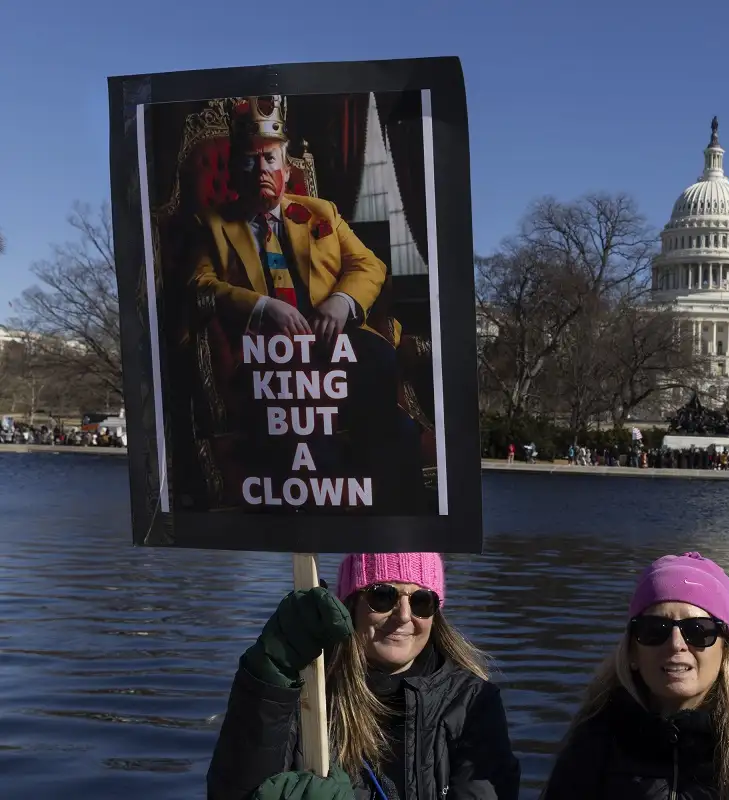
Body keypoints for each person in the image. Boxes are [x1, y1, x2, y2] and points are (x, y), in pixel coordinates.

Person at [186, 94, 426, 511]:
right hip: (270, 357)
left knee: (388, 390)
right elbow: (199, 285)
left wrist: (341, 301)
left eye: (270, 160)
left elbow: (370, 265)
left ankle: (392, 516)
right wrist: (264, 308)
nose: (262, 170)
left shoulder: (321, 212)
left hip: (336, 345)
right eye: (250, 161)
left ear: (285, 166)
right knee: (324, 440)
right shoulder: (213, 224)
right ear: (235, 167)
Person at [207, 552, 521, 800]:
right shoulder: (307, 691)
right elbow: (234, 791)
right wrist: (266, 683)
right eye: (383, 595)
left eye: (421, 601)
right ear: (352, 603)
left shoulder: (472, 704)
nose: (402, 616)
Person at [540, 551, 729, 800]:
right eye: (655, 630)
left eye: (699, 631)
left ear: (725, 651)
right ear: (632, 653)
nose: (676, 644)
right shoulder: (591, 747)